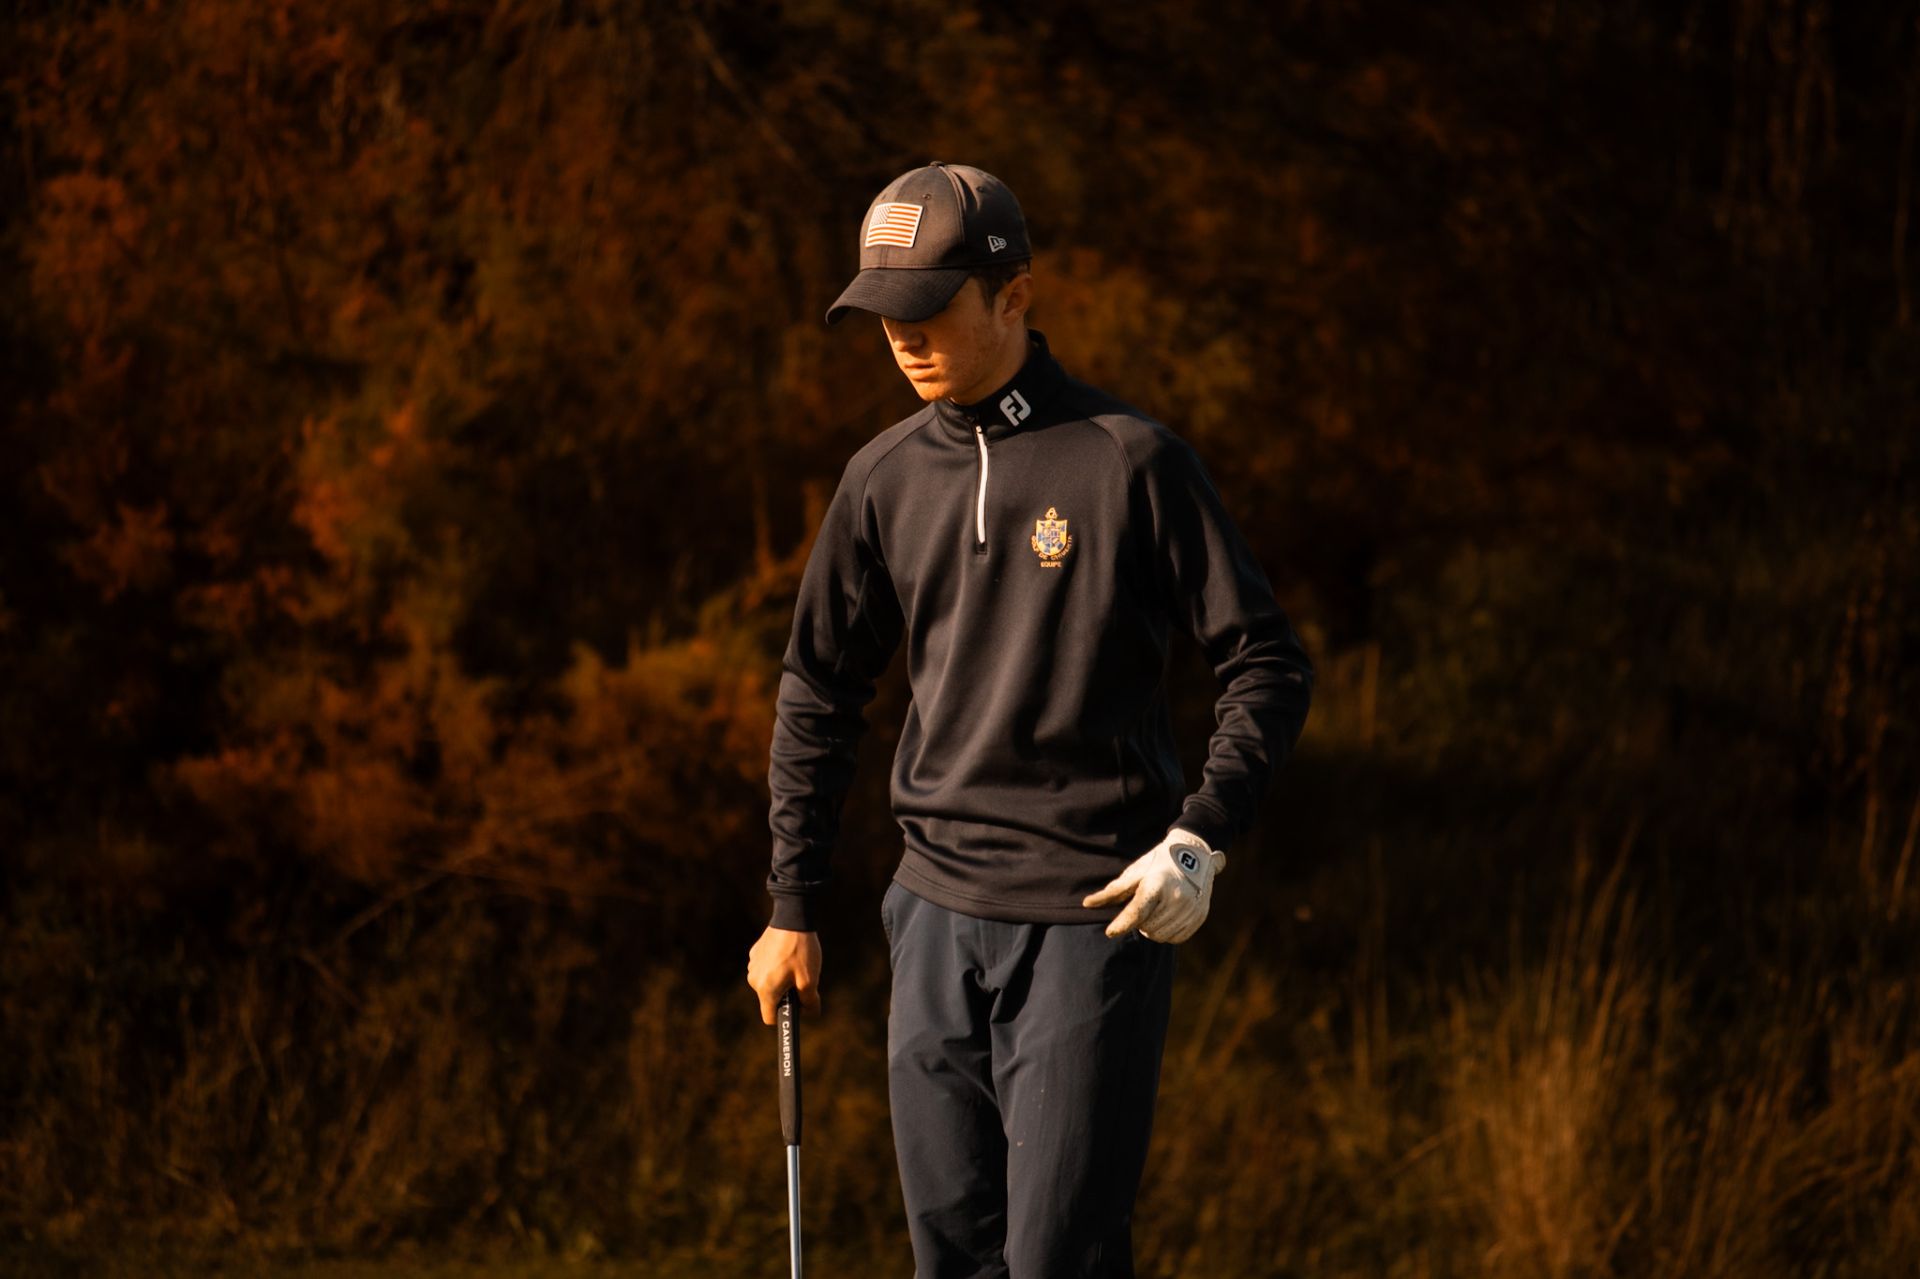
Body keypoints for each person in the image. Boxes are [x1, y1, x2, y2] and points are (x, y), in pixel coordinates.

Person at [745, 161, 1314, 1278]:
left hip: (1092, 917)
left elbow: (1266, 661)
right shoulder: (881, 479)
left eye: (927, 306)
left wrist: (1198, 838)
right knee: (951, 1257)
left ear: (1014, 295)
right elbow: (819, 688)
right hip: (932, 915)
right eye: (883, 312)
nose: (901, 336)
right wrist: (791, 901)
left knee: (1059, 1258)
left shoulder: (1130, 460)